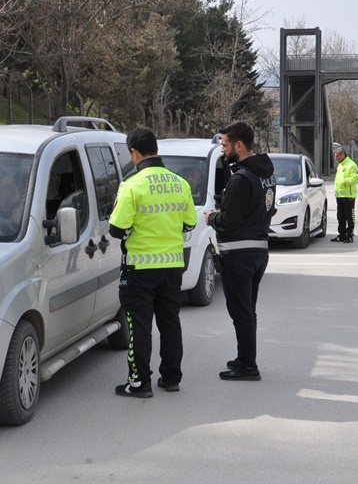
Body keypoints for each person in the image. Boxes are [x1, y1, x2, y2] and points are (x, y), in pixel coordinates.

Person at [109, 127, 197, 398]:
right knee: (170, 322)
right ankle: (171, 378)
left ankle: (139, 383)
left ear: (134, 153)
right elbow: (190, 223)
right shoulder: (179, 183)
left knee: (139, 326)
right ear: (155, 149)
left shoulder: (132, 186)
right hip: (171, 267)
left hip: (139, 269)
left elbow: (116, 228)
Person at [205, 121, 276, 381]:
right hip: (258, 251)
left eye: (224, 144)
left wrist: (212, 218)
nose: (222, 149)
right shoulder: (266, 173)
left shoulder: (241, 178)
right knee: (248, 310)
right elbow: (267, 210)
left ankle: (247, 366)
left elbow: (229, 221)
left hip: (239, 253)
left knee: (241, 312)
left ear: (239, 145)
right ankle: (245, 358)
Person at [331, 148, 358, 243]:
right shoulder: (340, 165)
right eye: (336, 156)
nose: (336, 158)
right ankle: (342, 235)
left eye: (338, 156)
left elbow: (357, 178)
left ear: (343, 154)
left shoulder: (351, 165)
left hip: (349, 196)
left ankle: (350, 235)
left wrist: (345, 181)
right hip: (339, 195)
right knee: (340, 216)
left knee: (349, 216)